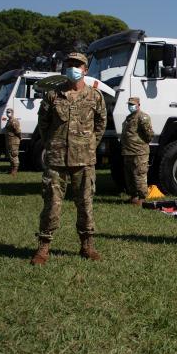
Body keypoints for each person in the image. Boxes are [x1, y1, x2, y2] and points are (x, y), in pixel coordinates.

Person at [30, 52, 107, 265]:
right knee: (52, 205)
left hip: (84, 160)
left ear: (85, 69)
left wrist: (89, 145)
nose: (74, 67)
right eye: (70, 64)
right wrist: (52, 145)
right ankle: (44, 247)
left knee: (85, 204)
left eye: (78, 64)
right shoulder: (53, 95)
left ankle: (87, 245)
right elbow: (43, 125)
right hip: (56, 161)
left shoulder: (95, 96)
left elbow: (100, 125)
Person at [121, 96, 154, 206]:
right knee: (129, 176)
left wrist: (140, 144)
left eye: (133, 104)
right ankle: (133, 196)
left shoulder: (142, 117)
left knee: (139, 175)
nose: (131, 106)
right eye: (129, 104)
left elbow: (149, 135)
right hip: (128, 152)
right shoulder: (129, 118)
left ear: (138, 105)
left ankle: (142, 198)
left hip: (139, 152)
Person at [4, 108, 21, 176]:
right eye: (7, 112)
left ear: (12, 113)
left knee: (14, 155)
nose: (8, 113)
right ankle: (12, 169)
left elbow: (18, 131)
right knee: (10, 155)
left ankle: (15, 170)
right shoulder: (9, 121)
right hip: (9, 141)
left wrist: (19, 137)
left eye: (9, 112)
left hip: (14, 141)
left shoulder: (14, 121)